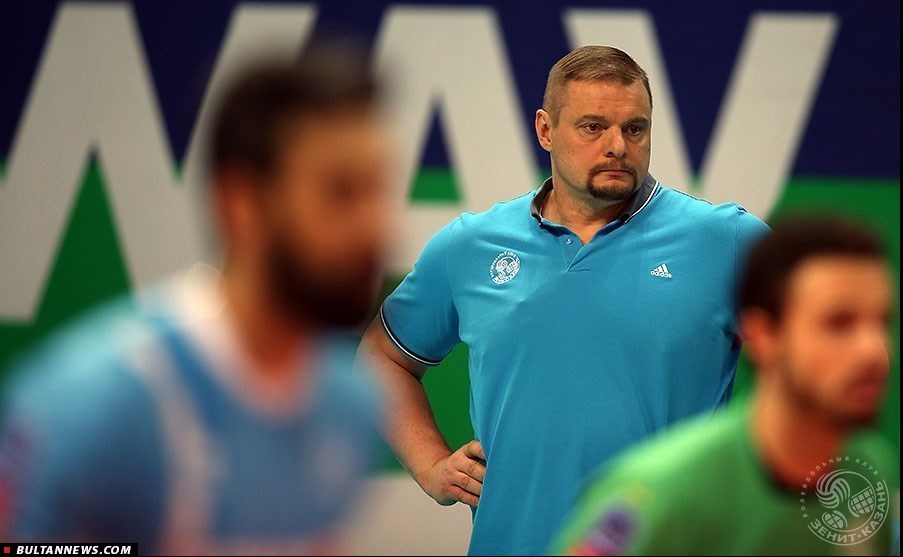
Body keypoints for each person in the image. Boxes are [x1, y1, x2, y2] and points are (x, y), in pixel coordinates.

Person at [357, 45, 771, 555]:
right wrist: (432, 467)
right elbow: (381, 358)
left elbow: (814, 364)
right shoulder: (469, 246)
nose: (617, 146)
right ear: (546, 130)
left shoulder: (727, 242)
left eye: (635, 129)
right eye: (593, 127)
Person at [0, 41, 389, 554]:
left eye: (379, 189)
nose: (376, 228)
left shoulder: (352, 404)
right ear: (241, 204)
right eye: (341, 192)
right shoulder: (92, 406)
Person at [554, 216, 898, 555]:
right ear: (763, 336)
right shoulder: (657, 493)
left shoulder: (871, 471)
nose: (874, 352)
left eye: (883, 321)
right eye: (839, 324)